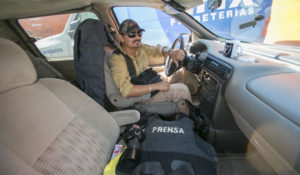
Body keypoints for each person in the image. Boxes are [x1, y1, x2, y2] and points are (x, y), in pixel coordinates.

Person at [110, 19, 192, 114]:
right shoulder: (118, 59)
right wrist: (155, 86)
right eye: (132, 34)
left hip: (146, 86)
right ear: (121, 38)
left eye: (139, 34)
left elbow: (157, 50)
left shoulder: (139, 48)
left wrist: (170, 52)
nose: (137, 37)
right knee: (182, 90)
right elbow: (127, 91)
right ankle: (189, 121)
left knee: (177, 76)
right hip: (138, 98)